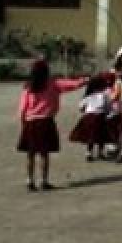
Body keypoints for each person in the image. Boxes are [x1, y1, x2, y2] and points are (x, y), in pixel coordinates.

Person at [16, 59, 87, 190]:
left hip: (30, 123)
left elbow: (22, 108)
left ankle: (29, 181)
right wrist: (84, 81)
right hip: (46, 122)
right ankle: (43, 181)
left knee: (30, 154)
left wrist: (23, 123)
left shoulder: (28, 87)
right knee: (44, 153)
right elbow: (72, 85)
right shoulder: (53, 84)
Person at [69, 73, 115, 161]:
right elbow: (108, 107)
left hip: (89, 118)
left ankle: (88, 153)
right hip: (100, 117)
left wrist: (85, 110)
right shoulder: (104, 95)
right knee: (101, 136)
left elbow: (81, 107)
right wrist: (108, 113)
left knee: (91, 136)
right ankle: (100, 153)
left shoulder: (88, 96)